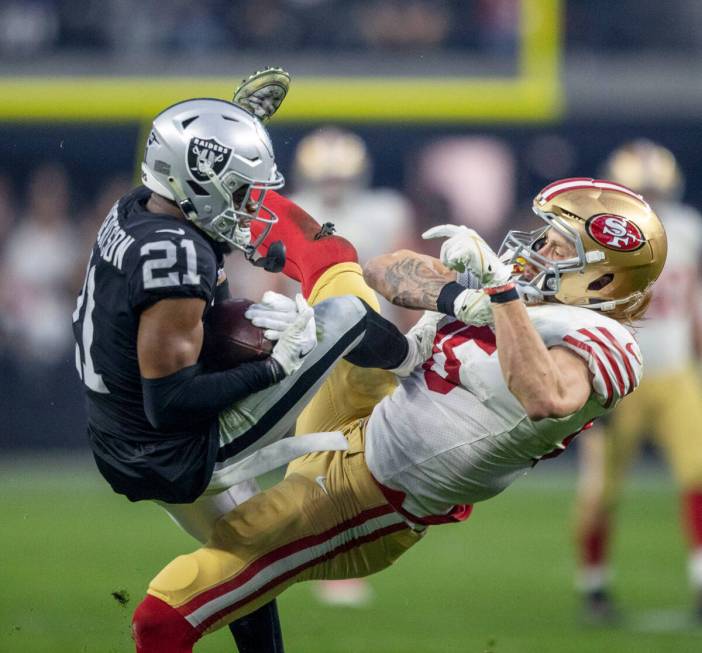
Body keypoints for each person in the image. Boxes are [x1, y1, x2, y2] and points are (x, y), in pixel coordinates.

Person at [130, 176, 667, 652]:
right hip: (366, 406)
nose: (535, 249)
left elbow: (544, 395)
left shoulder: (607, 340)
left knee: (165, 614)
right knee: (336, 266)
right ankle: (231, 192)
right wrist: (461, 296)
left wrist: (501, 294)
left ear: (602, 281)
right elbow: (386, 270)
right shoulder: (515, 294)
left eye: (556, 246)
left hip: (366, 497)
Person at [70, 68, 327, 653]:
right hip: (161, 446)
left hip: (121, 427)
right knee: (338, 326)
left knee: (246, 558)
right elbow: (172, 402)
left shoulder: (141, 204)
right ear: (196, 180)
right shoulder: (174, 257)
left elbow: (192, 199)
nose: (250, 208)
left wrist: (236, 128)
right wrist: (274, 367)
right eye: (238, 192)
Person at [572, 141, 702, 622]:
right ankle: (594, 586)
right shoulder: (596, 237)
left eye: (655, 190)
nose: (650, 200)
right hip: (618, 376)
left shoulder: (687, 227)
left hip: (675, 370)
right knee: (600, 488)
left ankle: (700, 581)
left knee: (697, 476)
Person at [290, 125, 415, 605]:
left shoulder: (384, 212)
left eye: (340, 177)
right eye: (327, 177)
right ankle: (325, 560)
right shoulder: (294, 209)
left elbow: (403, 277)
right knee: (322, 458)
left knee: (358, 459)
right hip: (312, 349)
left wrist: (409, 339)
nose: (333, 187)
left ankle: (332, 557)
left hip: (373, 349)